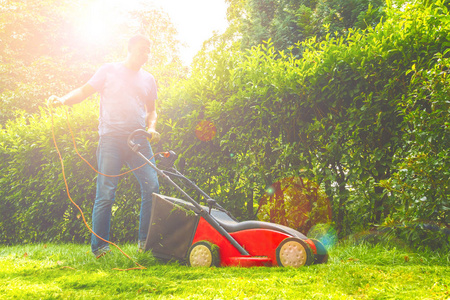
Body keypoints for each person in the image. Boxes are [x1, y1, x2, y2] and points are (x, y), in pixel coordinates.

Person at [48, 34, 160, 258]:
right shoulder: (108, 70)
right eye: (141, 49)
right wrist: (62, 100)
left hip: (139, 140)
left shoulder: (149, 79)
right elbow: (83, 91)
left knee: (152, 187)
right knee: (106, 192)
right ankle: (100, 248)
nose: (145, 54)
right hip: (111, 139)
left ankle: (145, 243)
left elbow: (152, 110)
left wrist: (152, 127)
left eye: (148, 50)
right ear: (129, 48)